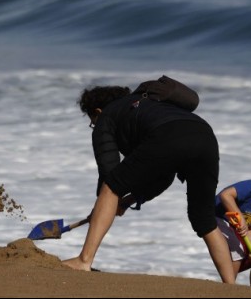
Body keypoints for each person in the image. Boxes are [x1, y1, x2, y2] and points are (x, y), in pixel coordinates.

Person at [61, 83, 238, 283]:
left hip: (168, 133)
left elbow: (110, 176)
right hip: (205, 135)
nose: (94, 126)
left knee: (112, 186)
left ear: (98, 112)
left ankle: (84, 261)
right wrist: (126, 202)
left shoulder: (107, 116)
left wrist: (103, 205)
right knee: (204, 219)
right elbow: (163, 176)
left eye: (92, 122)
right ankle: (231, 286)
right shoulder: (150, 106)